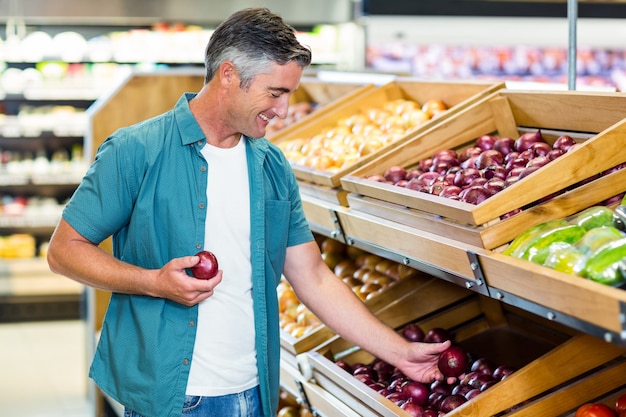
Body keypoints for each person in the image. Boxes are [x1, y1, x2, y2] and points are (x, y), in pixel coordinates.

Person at [47, 7, 454, 417]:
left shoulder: (272, 165)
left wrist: (399, 352)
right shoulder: (136, 150)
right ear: (228, 76)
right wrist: (153, 282)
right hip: (174, 398)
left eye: (289, 95)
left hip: (256, 392)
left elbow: (312, 276)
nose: (282, 109)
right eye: (275, 93)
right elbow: (64, 250)